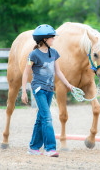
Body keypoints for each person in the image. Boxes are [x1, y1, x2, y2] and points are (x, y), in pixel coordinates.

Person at [21, 24, 73, 157]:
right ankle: (50, 148)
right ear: (44, 39)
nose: (53, 40)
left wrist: (69, 85)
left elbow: (58, 72)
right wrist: (24, 92)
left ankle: (33, 148)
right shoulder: (33, 54)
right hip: (39, 89)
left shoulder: (53, 53)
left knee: (41, 118)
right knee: (47, 118)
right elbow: (26, 73)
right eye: (52, 38)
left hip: (50, 89)